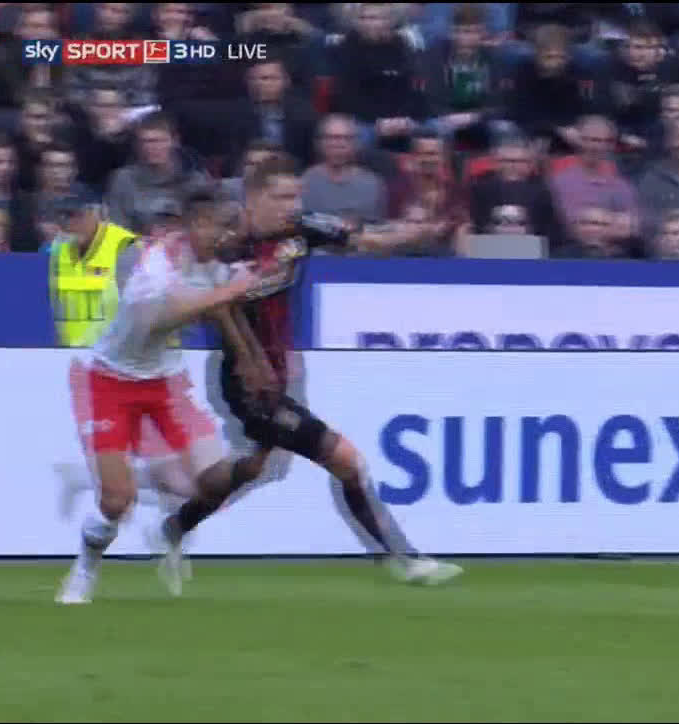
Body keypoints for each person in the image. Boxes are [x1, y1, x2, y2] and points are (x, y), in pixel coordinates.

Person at [149, 155, 463, 590]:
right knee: (348, 461)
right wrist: (251, 363)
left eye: (296, 195)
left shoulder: (301, 230)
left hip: (276, 373)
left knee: (252, 467)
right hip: (246, 382)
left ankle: (176, 526)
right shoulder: (228, 243)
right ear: (253, 199)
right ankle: (405, 559)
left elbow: (366, 239)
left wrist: (420, 231)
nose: (292, 205)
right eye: (281, 197)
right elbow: (219, 309)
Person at [56, 194, 266, 604]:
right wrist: (233, 289)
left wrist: (247, 360)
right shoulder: (154, 267)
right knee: (116, 502)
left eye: (230, 227)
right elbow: (167, 315)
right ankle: (85, 567)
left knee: (217, 481)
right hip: (112, 380)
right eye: (219, 226)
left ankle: (170, 530)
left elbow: (221, 309)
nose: (226, 236)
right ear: (196, 224)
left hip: (165, 383)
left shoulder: (212, 265)